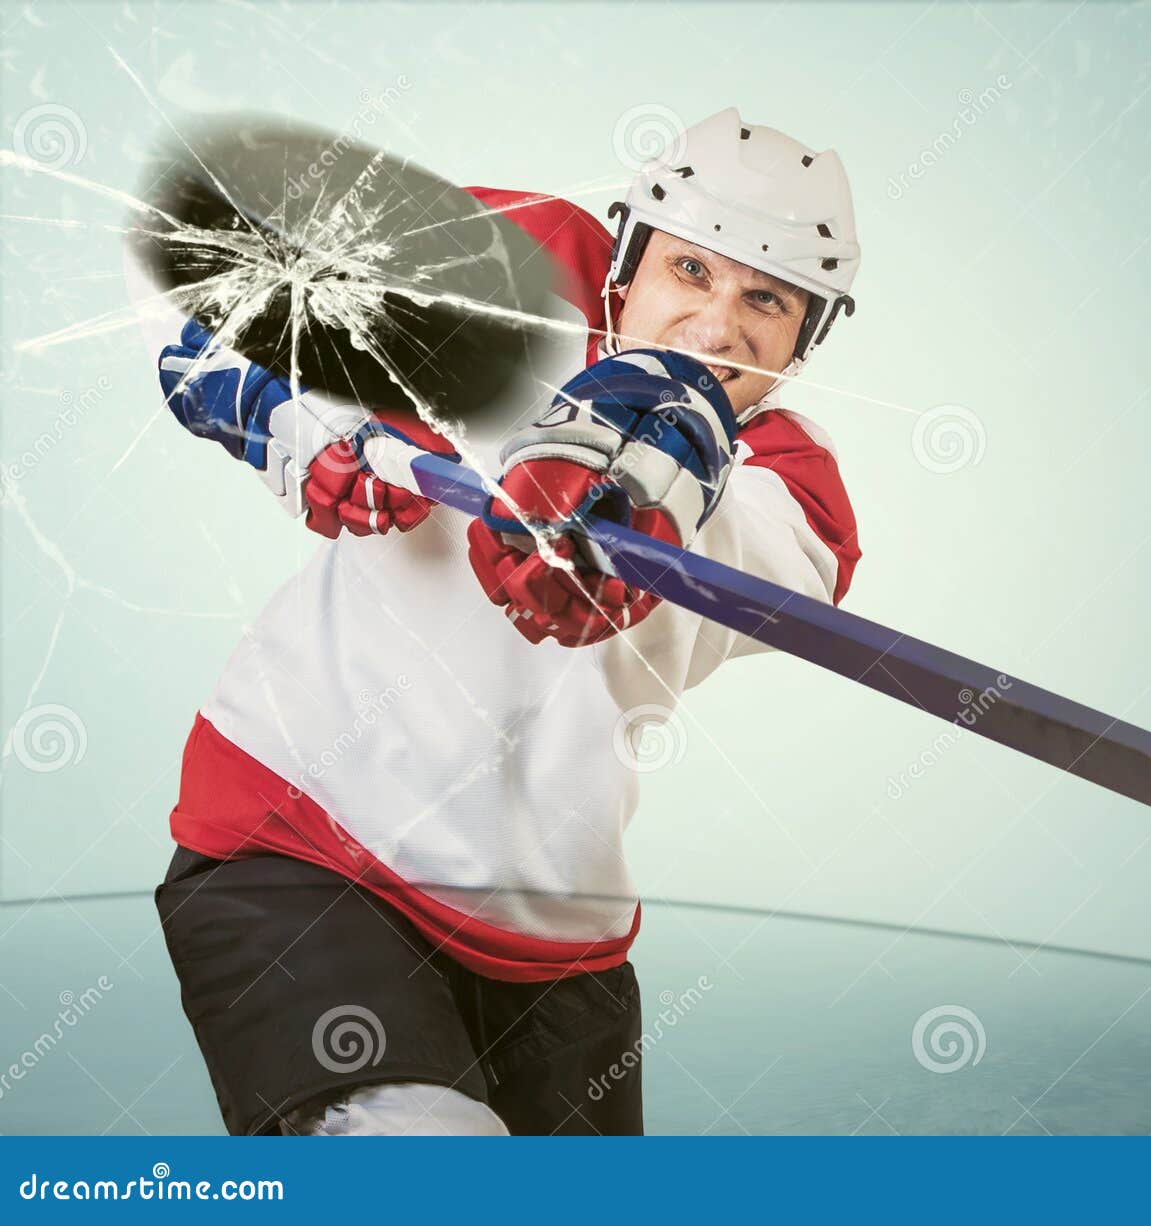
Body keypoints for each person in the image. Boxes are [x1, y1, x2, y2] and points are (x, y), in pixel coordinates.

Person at [137, 108, 862, 1135]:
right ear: (628, 256)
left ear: (806, 335)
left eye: (768, 299)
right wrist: (279, 384)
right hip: (300, 844)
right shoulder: (516, 269)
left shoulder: (794, 485)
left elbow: (761, 556)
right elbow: (243, 289)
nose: (716, 324)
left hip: (563, 946)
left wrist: (648, 472)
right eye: (690, 272)